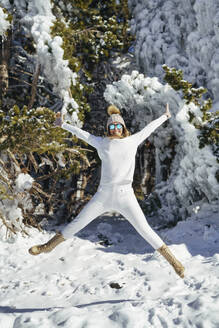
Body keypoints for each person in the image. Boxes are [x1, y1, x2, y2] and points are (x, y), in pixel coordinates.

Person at [29, 104, 185, 279]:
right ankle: (47, 246)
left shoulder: (132, 141)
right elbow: (83, 135)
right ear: (108, 129)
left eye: (119, 126)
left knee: (144, 229)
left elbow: (149, 129)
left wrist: (165, 116)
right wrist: (63, 125)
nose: (116, 129)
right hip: (103, 196)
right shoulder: (102, 143)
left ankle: (174, 262)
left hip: (126, 196)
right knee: (78, 223)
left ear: (123, 128)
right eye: (112, 126)